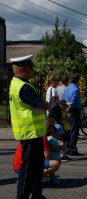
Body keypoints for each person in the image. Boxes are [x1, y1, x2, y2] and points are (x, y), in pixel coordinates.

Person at [9, 54, 49, 199]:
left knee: (37, 167)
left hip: (33, 133)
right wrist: (46, 104)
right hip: (30, 133)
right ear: (22, 68)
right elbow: (42, 104)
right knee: (28, 170)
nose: (33, 70)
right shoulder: (24, 87)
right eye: (30, 67)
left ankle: (37, 195)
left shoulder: (16, 83)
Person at [64, 73, 81, 156]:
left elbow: (65, 99)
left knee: (69, 130)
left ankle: (67, 147)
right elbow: (73, 102)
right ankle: (72, 149)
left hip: (67, 109)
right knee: (74, 131)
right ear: (77, 80)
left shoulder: (67, 88)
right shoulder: (76, 89)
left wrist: (66, 110)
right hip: (74, 110)